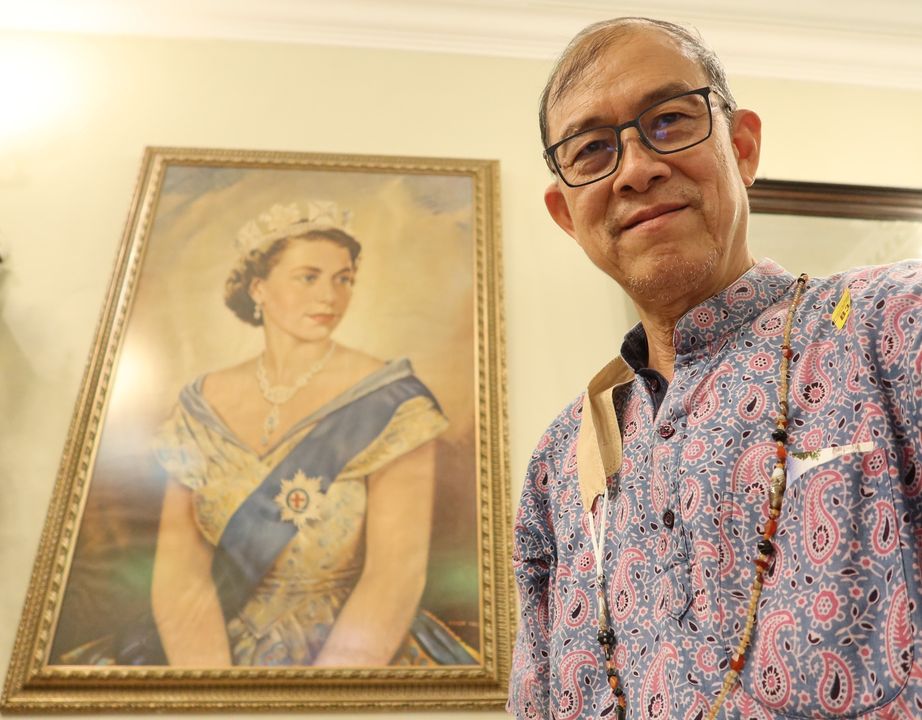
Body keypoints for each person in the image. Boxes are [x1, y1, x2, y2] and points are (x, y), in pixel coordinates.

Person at [507, 17, 922, 720]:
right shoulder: (558, 465)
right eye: (592, 149)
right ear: (566, 215)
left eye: (669, 120)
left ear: (743, 146)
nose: (636, 169)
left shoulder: (892, 329)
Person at [149, 200, 476, 667]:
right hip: (211, 649)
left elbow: (395, 576)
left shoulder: (392, 401)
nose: (330, 296)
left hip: (355, 650)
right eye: (308, 277)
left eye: (343, 279)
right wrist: (212, 688)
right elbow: (178, 573)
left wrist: (326, 693)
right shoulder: (198, 406)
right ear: (258, 288)